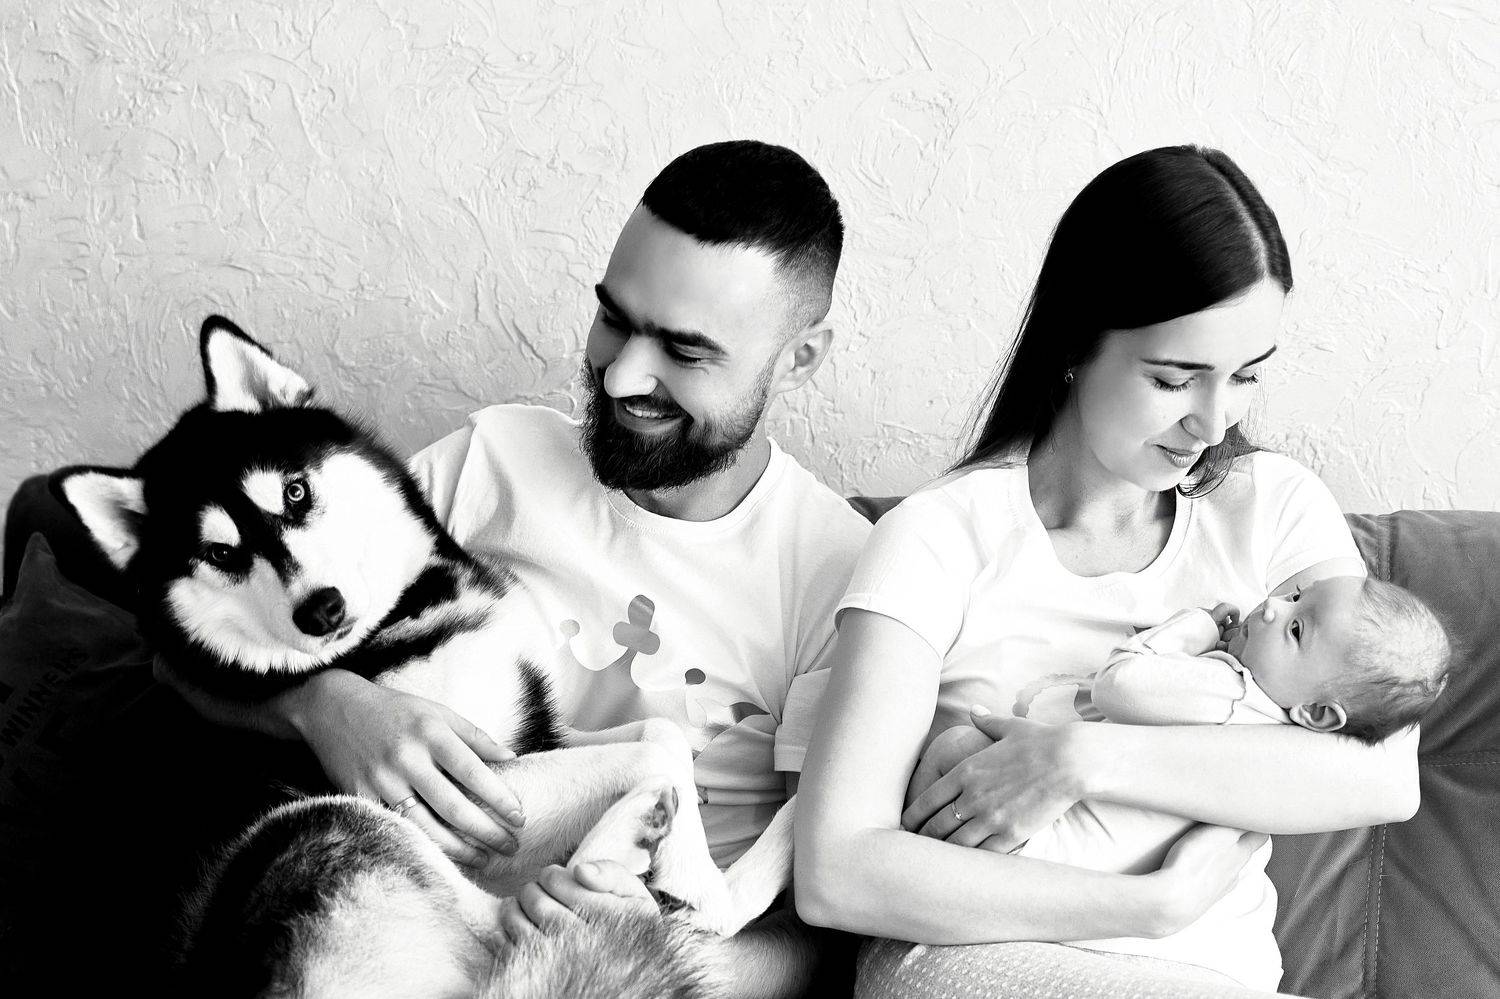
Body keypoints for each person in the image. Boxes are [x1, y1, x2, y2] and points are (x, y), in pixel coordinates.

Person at [169, 140, 872, 996]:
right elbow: (185, 655)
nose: (622, 376)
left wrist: (651, 952)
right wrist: (325, 705)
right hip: (386, 932)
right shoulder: (491, 461)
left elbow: (819, 923)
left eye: (684, 352)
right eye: (614, 319)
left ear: (799, 358)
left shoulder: (848, 577)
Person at [795, 145, 1423, 998]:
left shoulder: (1272, 506)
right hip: (973, 962)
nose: (1213, 422)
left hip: (1219, 975)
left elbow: (1381, 772)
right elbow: (838, 871)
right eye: (1173, 379)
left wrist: (1081, 757)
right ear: (1074, 342)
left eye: (1245, 376)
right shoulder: (939, 537)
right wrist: (1149, 906)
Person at [904, 576, 1450, 987]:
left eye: (1296, 628)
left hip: (1063, 860)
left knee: (958, 747)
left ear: (1320, 714)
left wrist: (1195, 627)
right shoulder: (1292, 750)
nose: (1272, 605)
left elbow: (1121, 686)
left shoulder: (1229, 688)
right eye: (1295, 595)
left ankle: (909, 845)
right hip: (1210, 943)